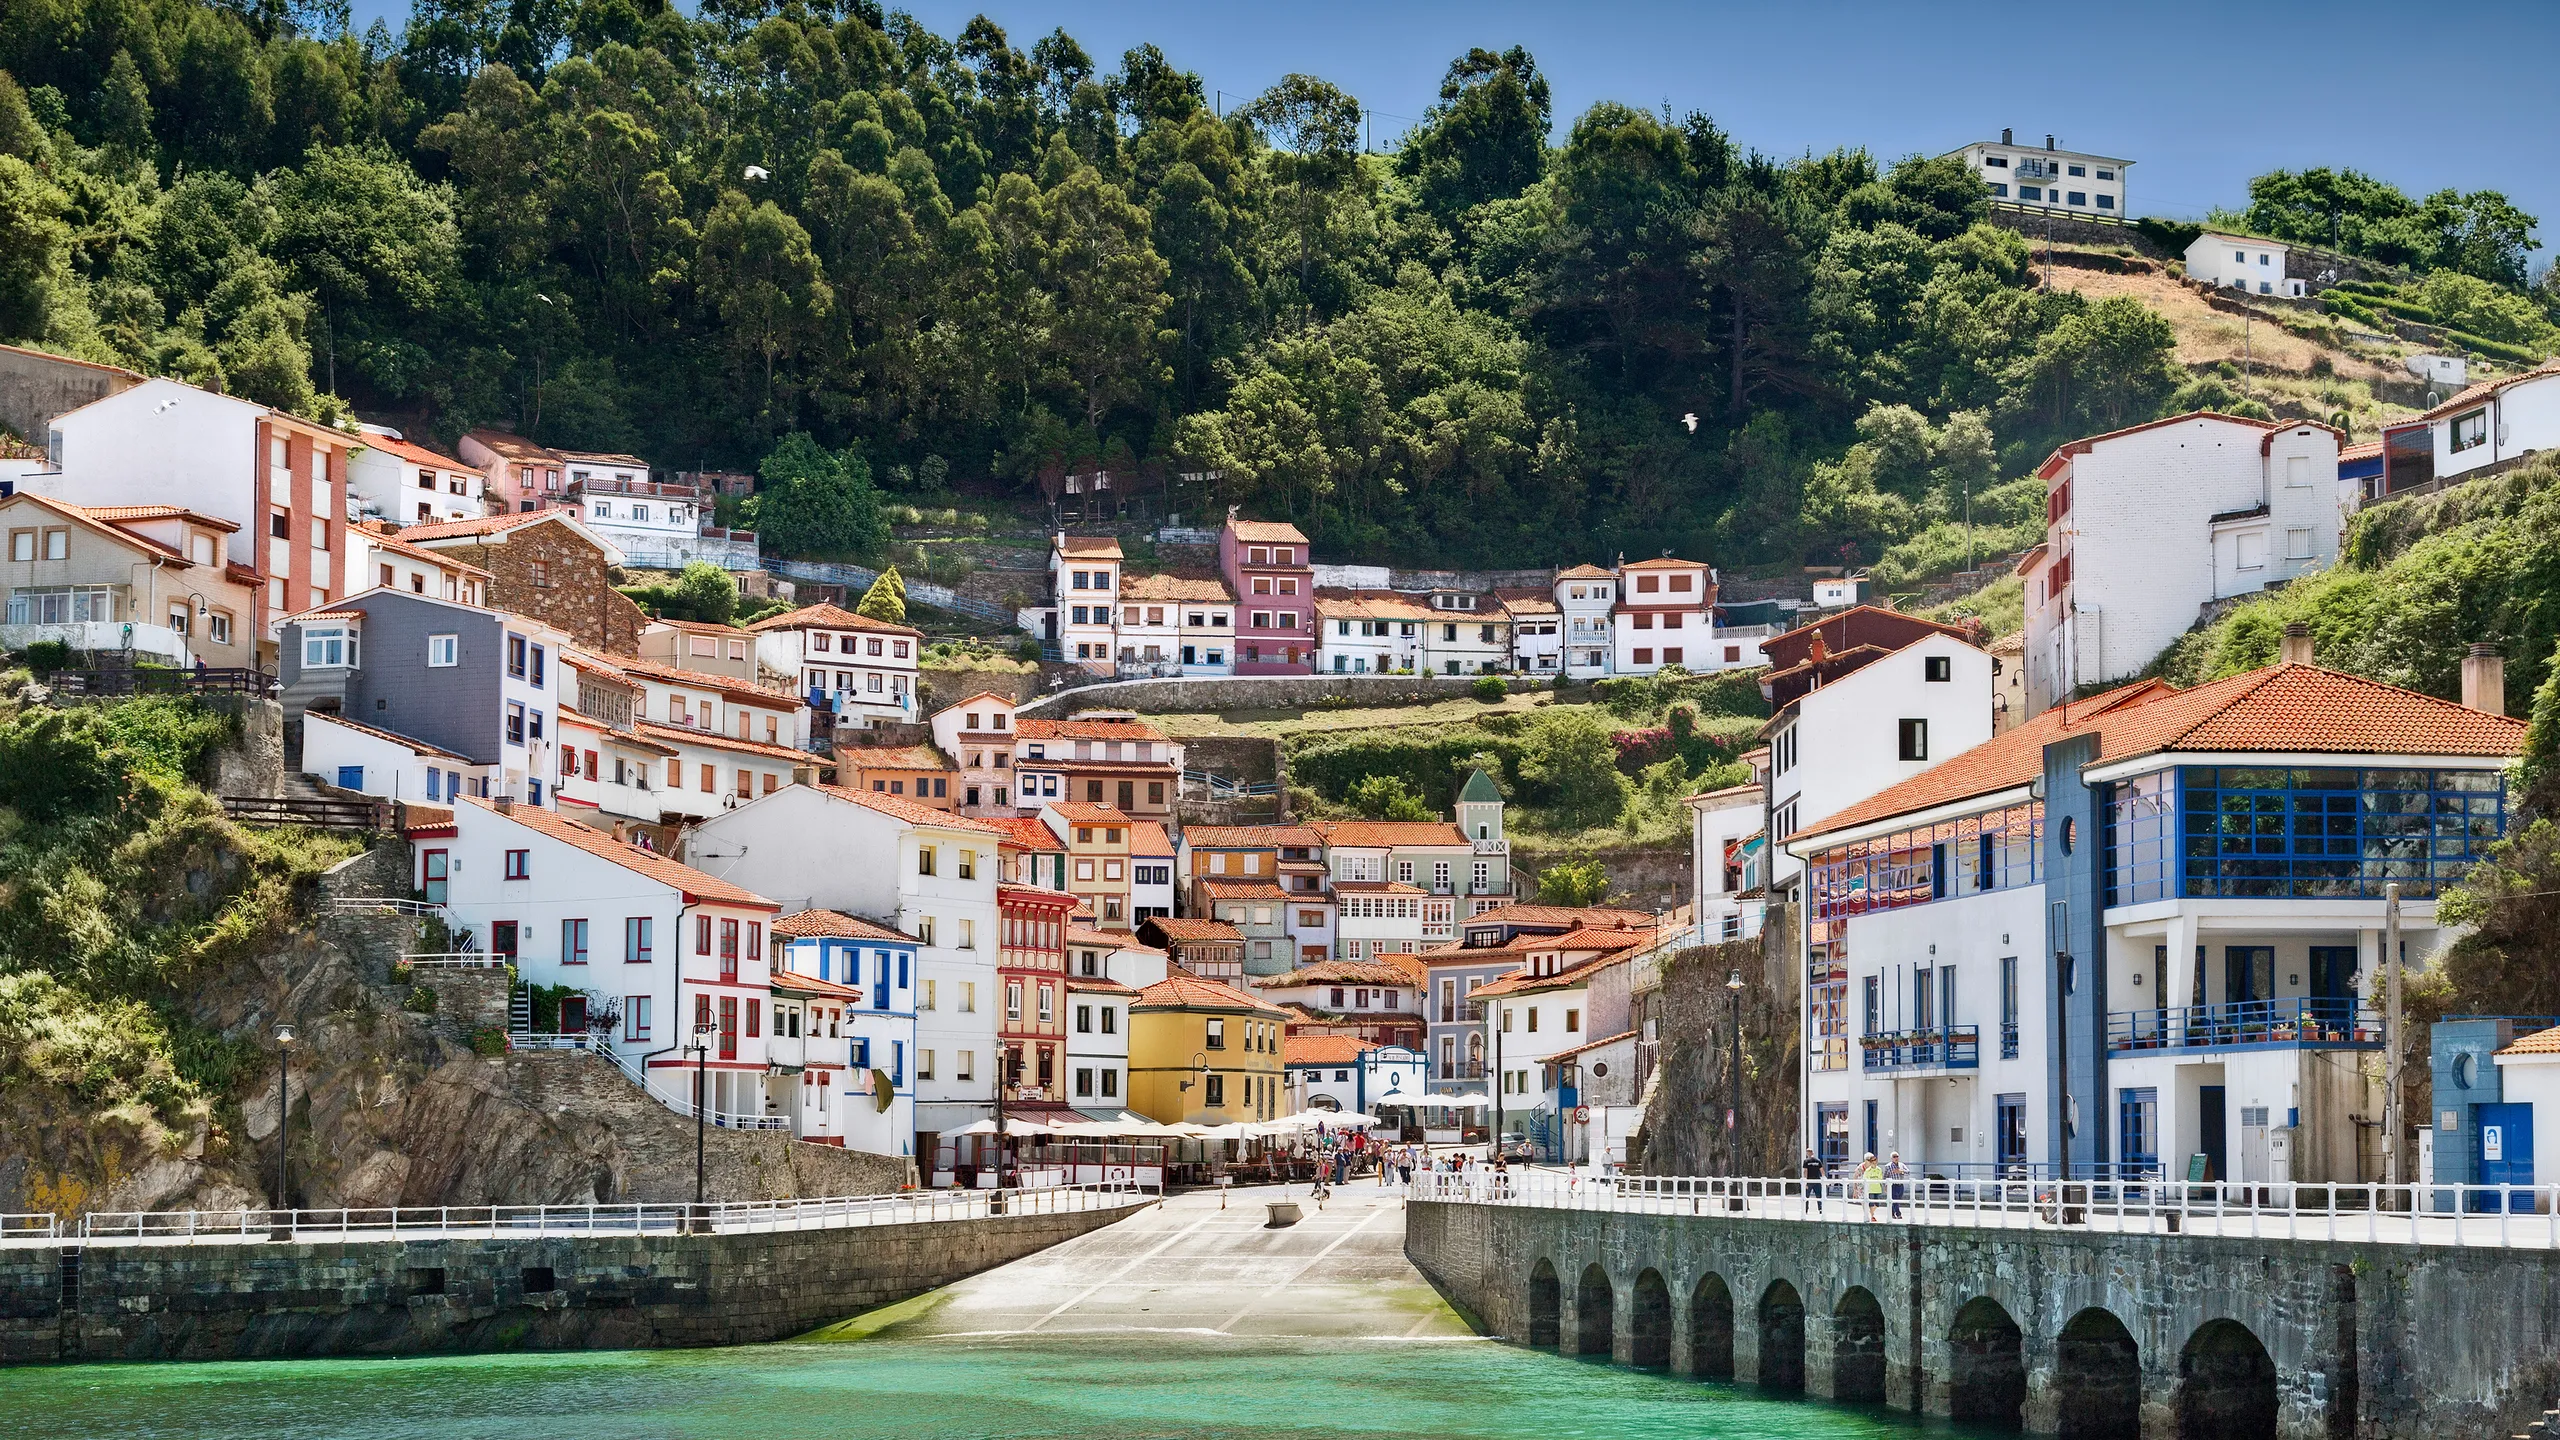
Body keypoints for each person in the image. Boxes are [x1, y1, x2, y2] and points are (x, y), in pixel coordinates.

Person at [1859, 1152, 1884, 1221]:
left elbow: (1880, 1178)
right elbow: (1865, 1179)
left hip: (1878, 1189)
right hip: (1870, 1189)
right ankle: (1872, 1216)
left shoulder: (1879, 1169)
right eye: (1872, 1161)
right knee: (1871, 1204)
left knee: (1877, 1204)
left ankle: (1871, 1213)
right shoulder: (1867, 1170)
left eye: (1875, 1160)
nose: (1874, 1162)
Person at [1885, 1151, 1908, 1220]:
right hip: (1892, 1185)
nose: (1896, 1158)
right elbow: (1885, 1176)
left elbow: (1908, 1172)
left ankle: (1892, 1213)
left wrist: (1901, 1171)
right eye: (1894, 1157)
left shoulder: (1902, 1165)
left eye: (1897, 1156)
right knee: (1895, 1199)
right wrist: (1885, 1185)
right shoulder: (1888, 1166)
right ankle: (1898, 1214)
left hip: (1900, 1184)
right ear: (1891, 1158)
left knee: (1898, 1199)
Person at [1801, 1148, 1825, 1215]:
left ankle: (1805, 1210)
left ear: (1808, 1153)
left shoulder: (1806, 1161)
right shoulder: (1818, 1161)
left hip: (1809, 1181)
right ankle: (1820, 1209)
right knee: (1819, 1195)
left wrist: (1805, 1181)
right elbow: (1822, 1170)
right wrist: (1823, 1178)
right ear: (1812, 1153)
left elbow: (1805, 1171)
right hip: (1817, 1180)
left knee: (1806, 1196)